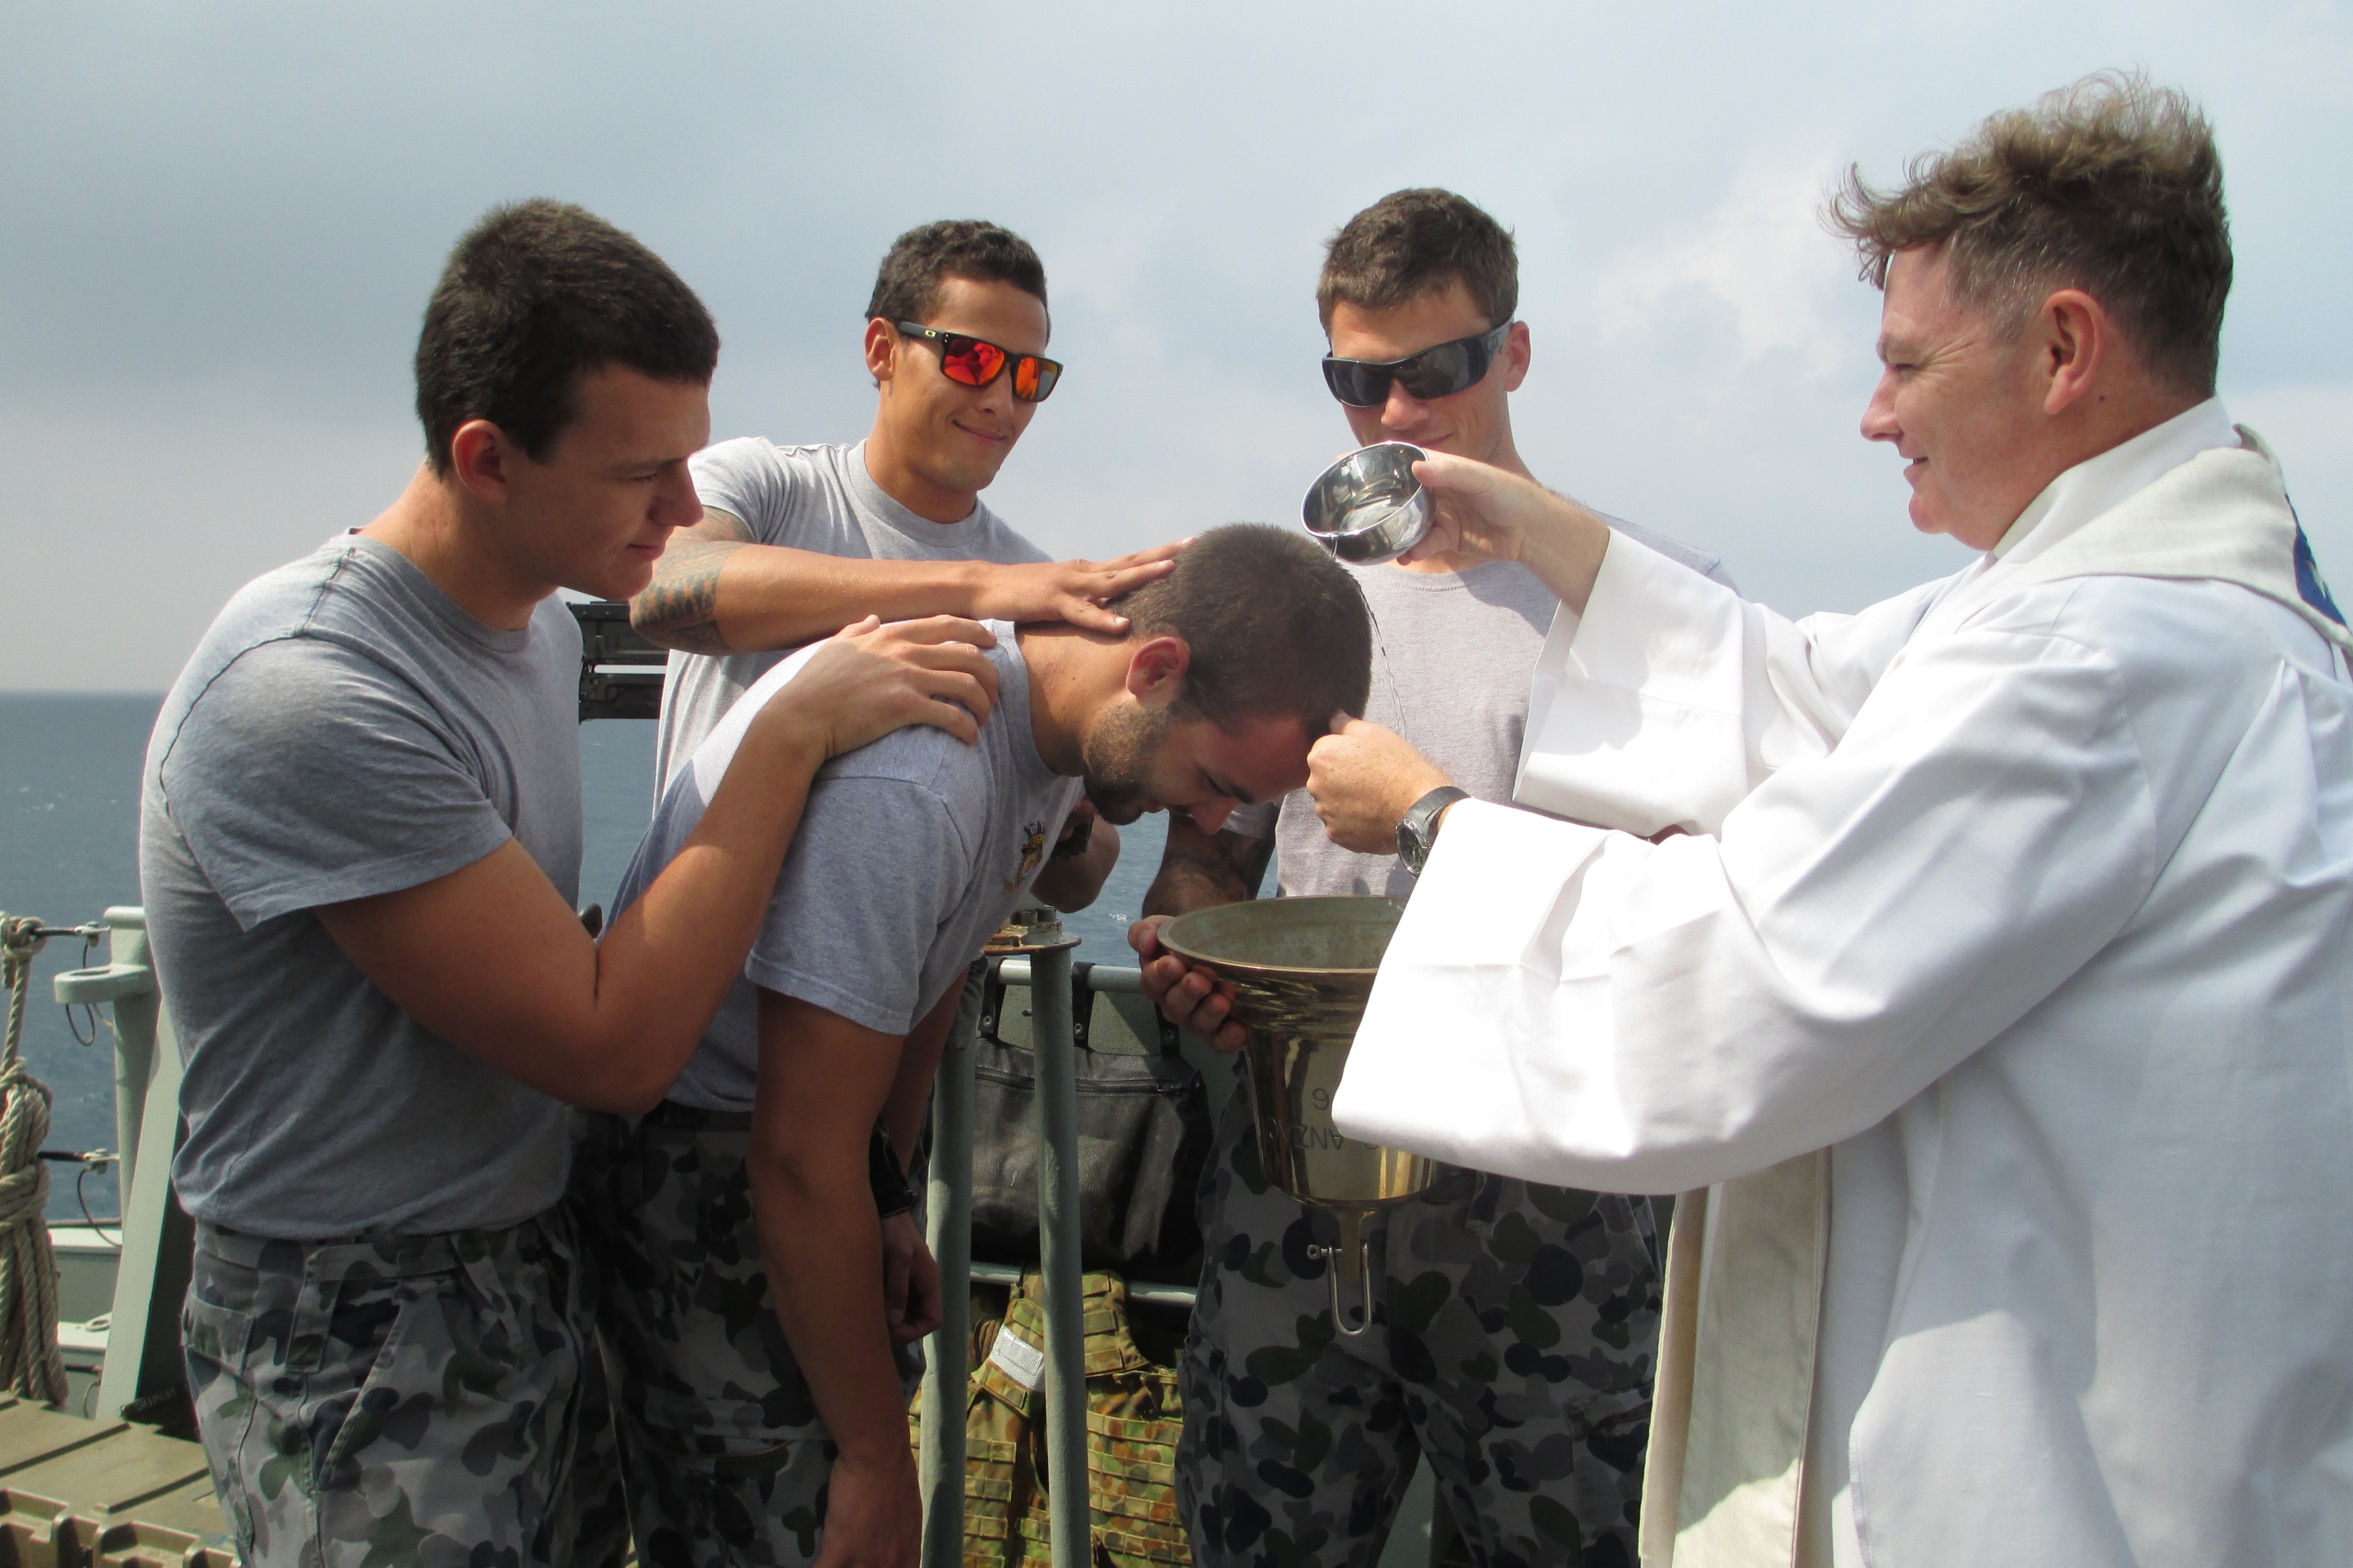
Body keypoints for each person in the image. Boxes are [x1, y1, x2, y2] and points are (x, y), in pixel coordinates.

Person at [1305, 76, 2353, 1566]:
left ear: (2064, 349)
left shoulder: (2100, 662)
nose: (1875, 414)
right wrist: (1552, 535)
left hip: (2063, 1488)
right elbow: (1805, 692)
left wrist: (1432, 821)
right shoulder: (2111, 610)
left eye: (1908, 363)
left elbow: (1746, 975)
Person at [141, 199, 1003, 1568]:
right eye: (642, 473)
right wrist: (789, 724)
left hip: (532, 1254)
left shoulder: (533, 629)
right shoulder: (309, 691)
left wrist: (881, 1181)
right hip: (358, 1313)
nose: (684, 511)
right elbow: (613, 1045)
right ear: (487, 457)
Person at [572, 525, 1373, 1568]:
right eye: (1215, 776)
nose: (1211, 815)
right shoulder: (918, 777)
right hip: (715, 1175)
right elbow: (796, 1160)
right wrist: (875, 1461)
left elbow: (940, 954)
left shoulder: (1043, 735)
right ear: (1154, 668)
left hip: (817, 1165)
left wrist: (889, 1192)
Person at [1129, 188, 1732, 1568]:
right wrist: (1185, 955)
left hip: (1547, 1180)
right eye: (1359, 381)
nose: (1398, 412)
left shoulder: (1646, 601)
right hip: (1300, 1148)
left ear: (1513, 353)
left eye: (1437, 368)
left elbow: (1694, 905)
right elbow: (1208, 852)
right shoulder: (1284, 604)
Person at [630, 217, 1180, 910]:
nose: (1001, 401)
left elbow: (1083, 876)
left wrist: (1066, 828)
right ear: (882, 350)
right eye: (971, 360)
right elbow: (662, 588)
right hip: (689, 950)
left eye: (1029, 376)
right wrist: (973, 587)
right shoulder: (763, 485)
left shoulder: (1033, 587)